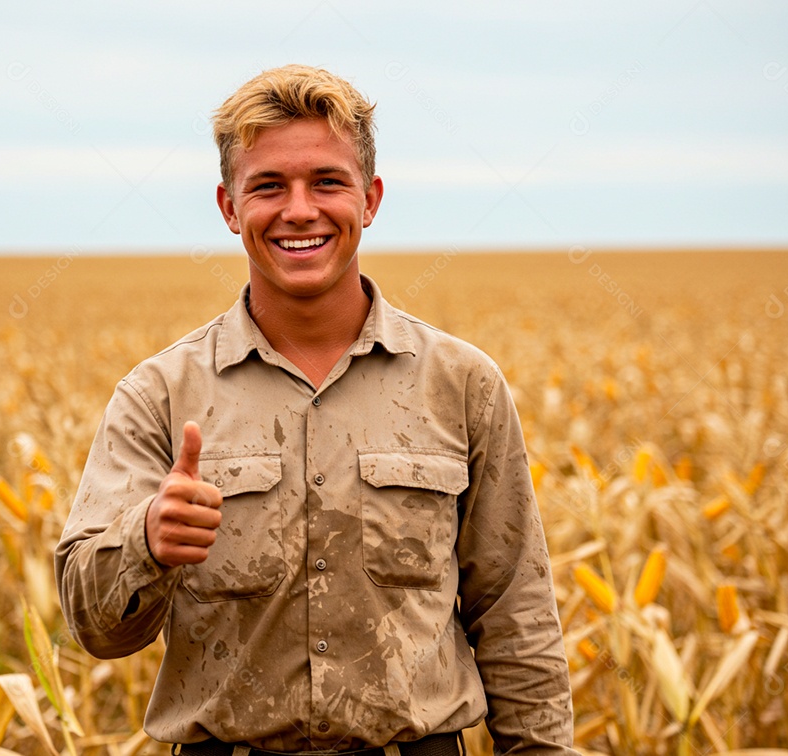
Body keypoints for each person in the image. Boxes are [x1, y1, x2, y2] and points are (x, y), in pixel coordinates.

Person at [55, 64, 577, 755]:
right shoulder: (158, 396)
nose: (299, 210)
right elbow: (95, 629)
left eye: (327, 182)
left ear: (370, 198)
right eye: (268, 186)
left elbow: (516, 614)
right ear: (229, 207)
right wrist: (147, 539)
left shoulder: (463, 385)